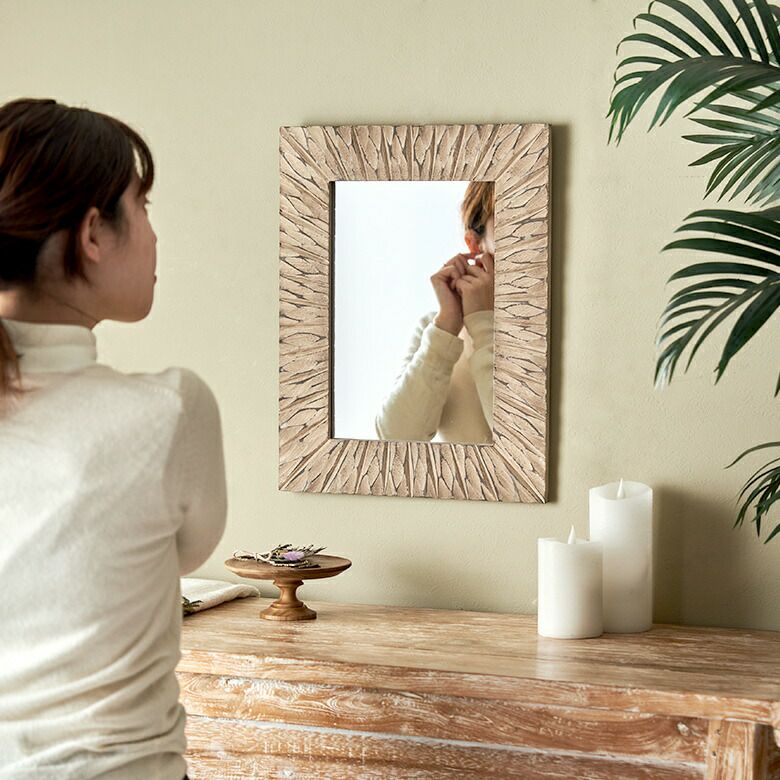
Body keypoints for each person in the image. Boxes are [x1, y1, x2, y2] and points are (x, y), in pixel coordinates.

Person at [0, 98, 227, 780]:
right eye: (143, 204)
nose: (154, 235)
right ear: (93, 232)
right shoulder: (167, 411)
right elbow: (185, 554)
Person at [375, 181, 495, 443]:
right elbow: (395, 437)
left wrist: (482, 324)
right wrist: (447, 325)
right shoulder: (436, 328)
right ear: (475, 245)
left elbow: (526, 439)